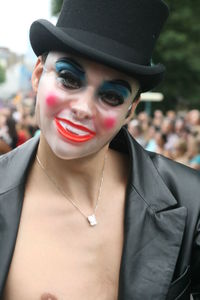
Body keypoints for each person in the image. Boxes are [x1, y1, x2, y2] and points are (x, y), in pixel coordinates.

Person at [0, 1, 199, 300]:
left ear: (130, 110)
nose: (82, 108)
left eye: (111, 96)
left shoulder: (191, 203)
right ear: (38, 74)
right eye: (69, 79)